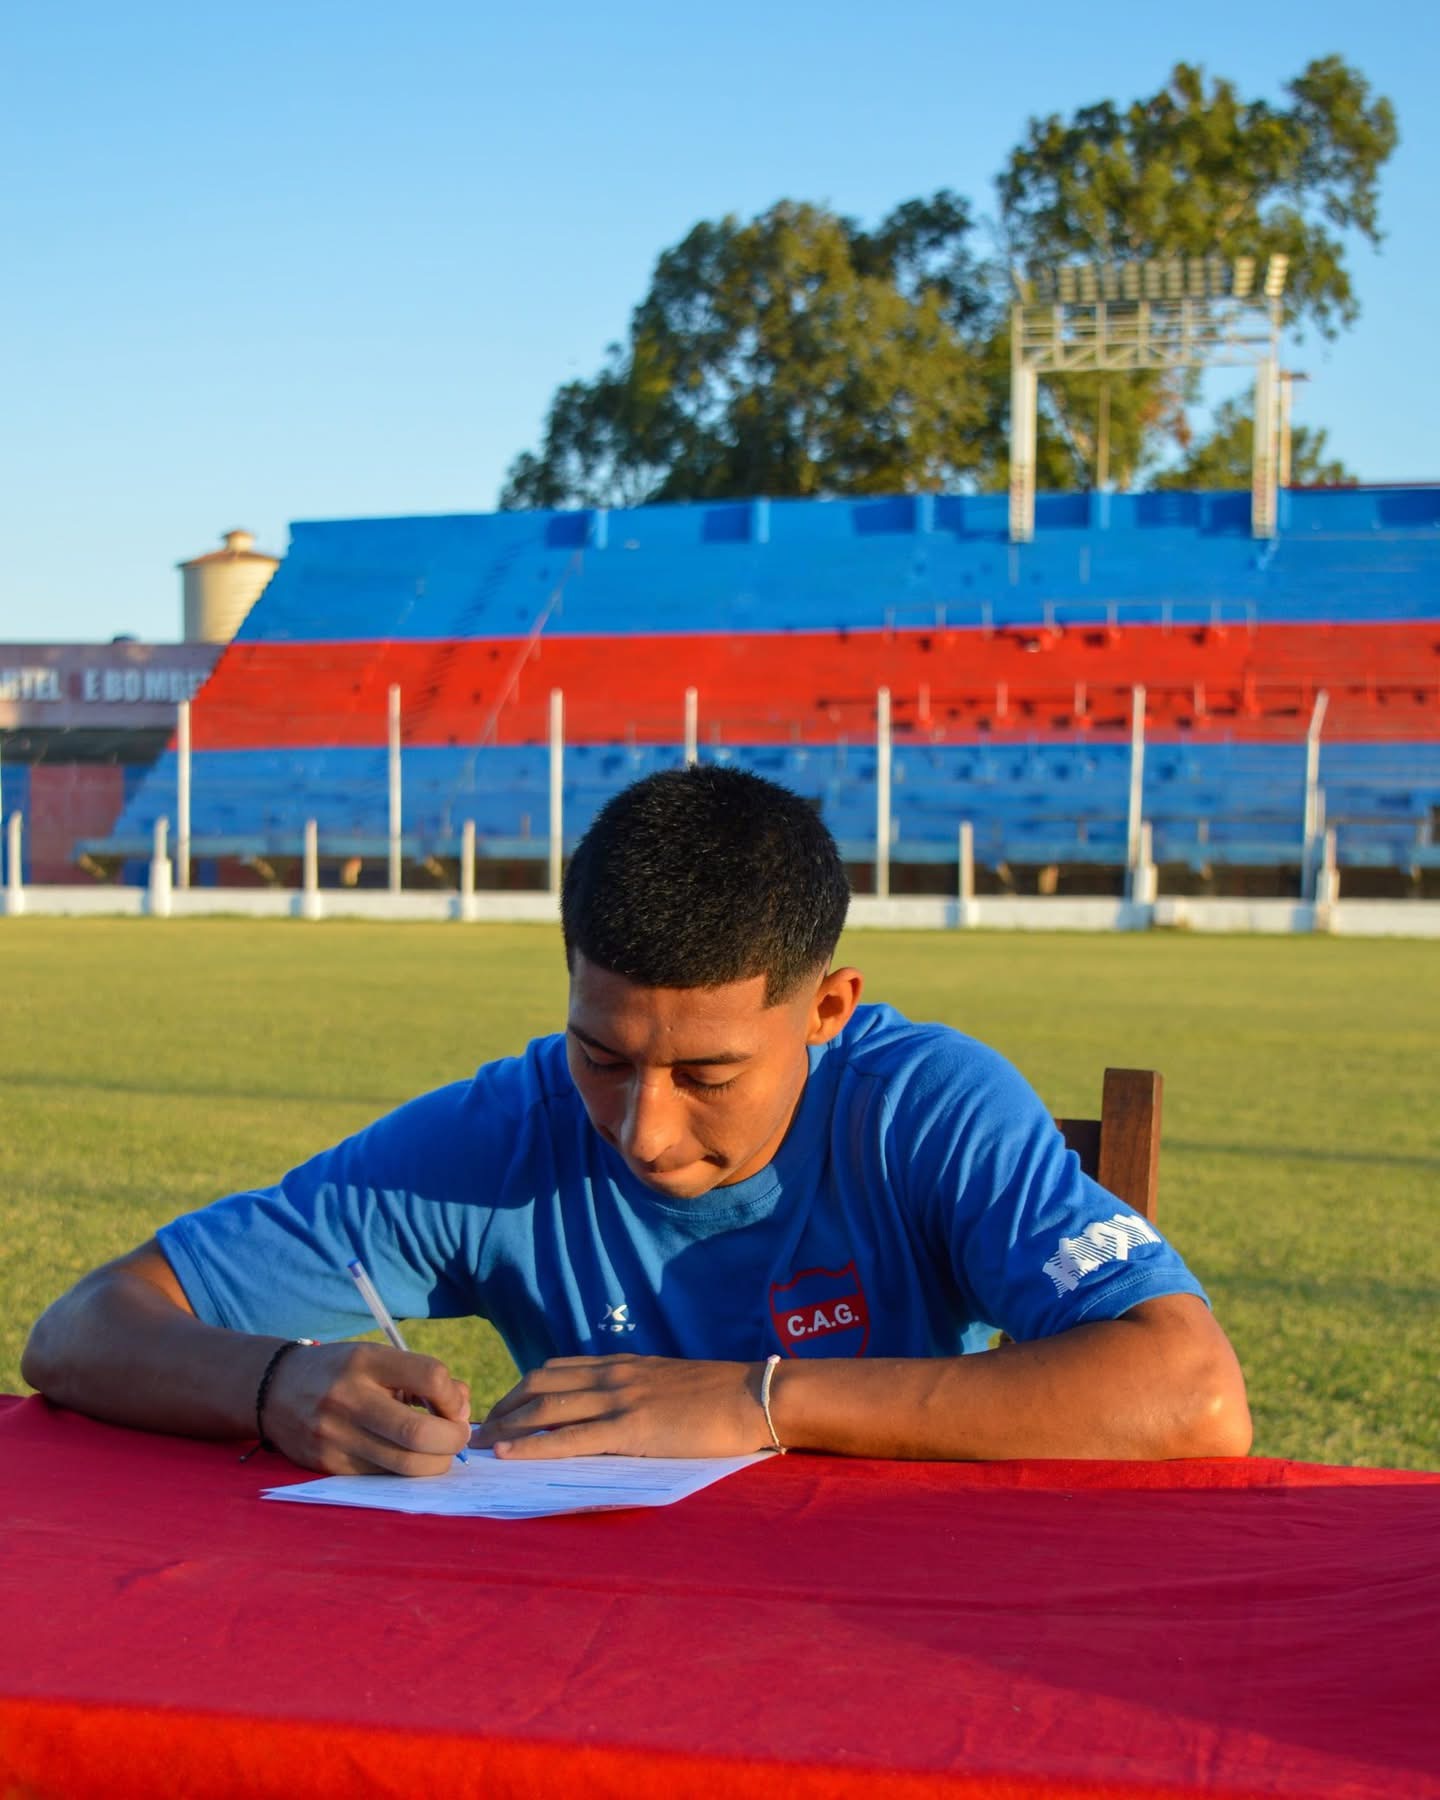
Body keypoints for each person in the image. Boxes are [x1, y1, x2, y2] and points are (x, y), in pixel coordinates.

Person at [23, 767, 1251, 1473]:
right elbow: (80, 1331)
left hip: (897, 1634)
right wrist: (277, 1384)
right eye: (602, 1054)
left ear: (826, 1007)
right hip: (598, 1639)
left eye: (709, 1075)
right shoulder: (504, 1136)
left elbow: (1193, 1395)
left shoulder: (923, 1105)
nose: (644, 1130)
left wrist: (756, 1401)